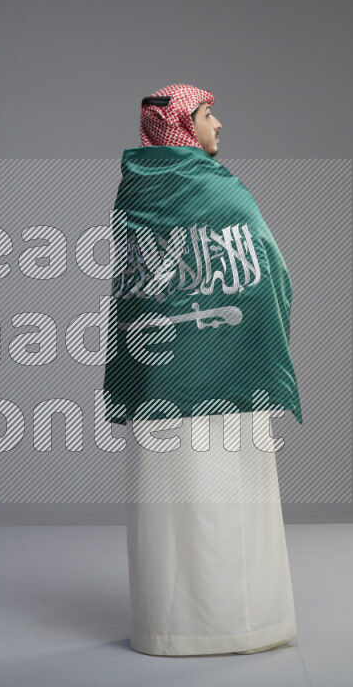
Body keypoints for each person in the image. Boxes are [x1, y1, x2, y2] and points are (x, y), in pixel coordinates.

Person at [105, 83, 301, 656]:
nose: (221, 125)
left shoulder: (135, 192)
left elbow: (135, 291)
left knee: (171, 508)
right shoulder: (223, 193)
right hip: (230, 375)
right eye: (209, 115)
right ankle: (245, 624)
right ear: (183, 127)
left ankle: (169, 630)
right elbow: (271, 271)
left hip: (160, 377)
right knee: (230, 499)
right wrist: (258, 336)